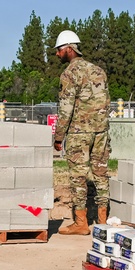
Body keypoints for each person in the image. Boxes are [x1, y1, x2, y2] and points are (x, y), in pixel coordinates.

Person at [53, 29, 110, 235]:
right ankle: (103, 222)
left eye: (59, 50)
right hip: (101, 131)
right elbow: (106, 101)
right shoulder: (99, 71)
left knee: (78, 176)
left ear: (69, 49)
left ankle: (81, 223)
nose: (57, 54)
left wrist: (59, 136)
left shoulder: (69, 74)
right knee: (101, 174)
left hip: (79, 132)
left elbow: (66, 108)